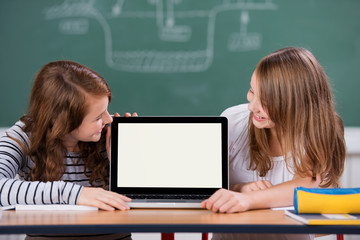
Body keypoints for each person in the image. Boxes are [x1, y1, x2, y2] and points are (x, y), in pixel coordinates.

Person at [201, 47, 346, 240]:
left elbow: (305, 184)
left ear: (296, 105)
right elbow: (204, 188)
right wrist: (239, 189)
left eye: (267, 101)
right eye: (252, 90)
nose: (252, 106)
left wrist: (247, 199)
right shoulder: (233, 121)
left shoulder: (322, 131)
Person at [0, 60, 136, 240]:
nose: (108, 119)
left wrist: (125, 164)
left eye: (106, 110)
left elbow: (143, 200)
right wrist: (76, 194)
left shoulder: (109, 132)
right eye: (97, 117)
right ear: (65, 121)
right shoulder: (24, 136)